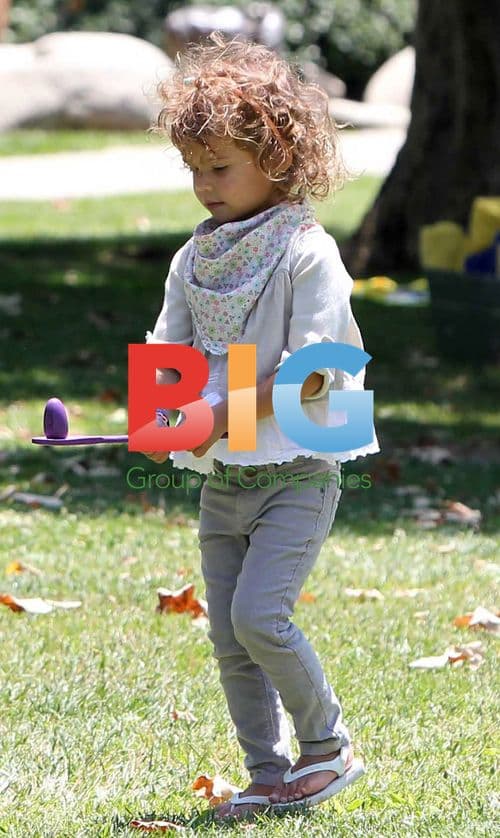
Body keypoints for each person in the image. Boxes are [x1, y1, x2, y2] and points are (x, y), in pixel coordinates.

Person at [144, 31, 379, 820]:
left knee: (259, 616)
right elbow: (168, 351)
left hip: (298, 469)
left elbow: (319, 369)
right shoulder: (195, 258)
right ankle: (268, 772)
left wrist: (216, 411)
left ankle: (328, 748)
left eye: (220, 167)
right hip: (228, 475)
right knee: (229, 637)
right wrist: (158, 419)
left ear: (277, 159)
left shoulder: (309, 253)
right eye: (193, 170)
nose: (204, 186)